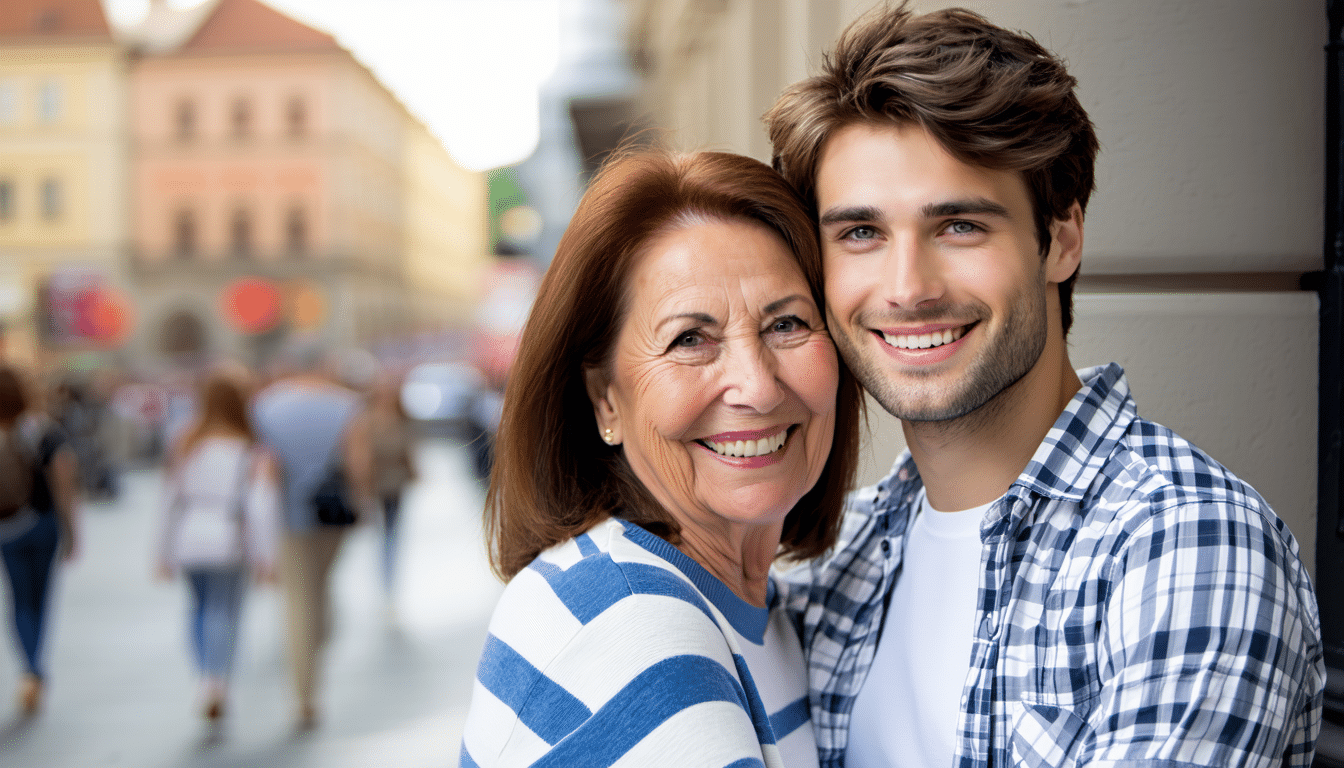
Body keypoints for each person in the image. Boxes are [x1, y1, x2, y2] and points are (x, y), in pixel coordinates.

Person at [762, 4, 1325, 767]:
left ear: (1060, 238)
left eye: (959, 225)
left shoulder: (1184, 542)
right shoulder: (840, 554)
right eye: (861, 232)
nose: (907, 287)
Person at [459, 148, 863, 767]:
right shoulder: (626, 621)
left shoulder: (758, 613)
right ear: (605, 400)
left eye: (786, 324)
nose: (757, 387)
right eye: (690, 339)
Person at [252, 341, 373, 730]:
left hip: (286, 517)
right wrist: (363, 504)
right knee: (320, 589)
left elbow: (260, 466)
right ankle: (313, 662)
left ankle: (304, 695)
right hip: (332, 515)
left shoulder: (265, 405)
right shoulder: (348, 405)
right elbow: (358, 463)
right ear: (324, 364)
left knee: (298, 601)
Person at [156, 370, 280, 722]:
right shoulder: (251, 448)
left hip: (189, 535)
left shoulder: (185, 443)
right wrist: (266, 557)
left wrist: (162, 552)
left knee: (199, 607)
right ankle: (217, 679)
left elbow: (168, 501)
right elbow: (260, 506)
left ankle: (204, 676)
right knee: (225, 610)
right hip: (229, 537)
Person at [0, 364, 79, 715]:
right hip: (43, 524)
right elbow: (63, 479)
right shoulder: (43, 430)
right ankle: (35, 666)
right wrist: (70, 528)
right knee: (41, 598)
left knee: (19, 600)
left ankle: (29, 668)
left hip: (7, 527)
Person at [352, 374, 417, 609]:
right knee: (378, 534)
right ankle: (381, 579)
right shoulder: (366, 420)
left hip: (395, 483)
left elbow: (409, 451)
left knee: (392, 532)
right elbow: (360, 456)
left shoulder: (400, 418)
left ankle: (389, 581)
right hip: (374, 485)